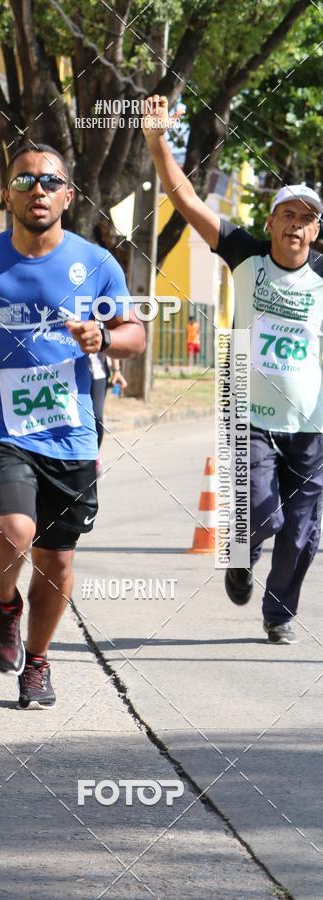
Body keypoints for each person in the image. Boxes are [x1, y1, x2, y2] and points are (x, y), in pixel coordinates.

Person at [0, 142, 145, 706]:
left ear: (68, 196)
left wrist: (102, 337)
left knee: (56, 558)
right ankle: (5, 602)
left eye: (50, 181)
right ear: (6, 194)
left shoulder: (96, 264)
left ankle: (38, 662)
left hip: (71, 429)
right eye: (26, 180)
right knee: (13, 530)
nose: (38, 189)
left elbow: (135, 335)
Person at [142, 95, 323, 645]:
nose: (296, 225)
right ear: (270, 223)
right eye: (287, 215)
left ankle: (278, 613)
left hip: (312, 420)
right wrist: (157, 142)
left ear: (316, 232)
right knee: (262, 515)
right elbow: (187, 198)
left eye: (307, 219)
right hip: (250, 412)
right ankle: (241, 558)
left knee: (302, 532)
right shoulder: (244, 252)